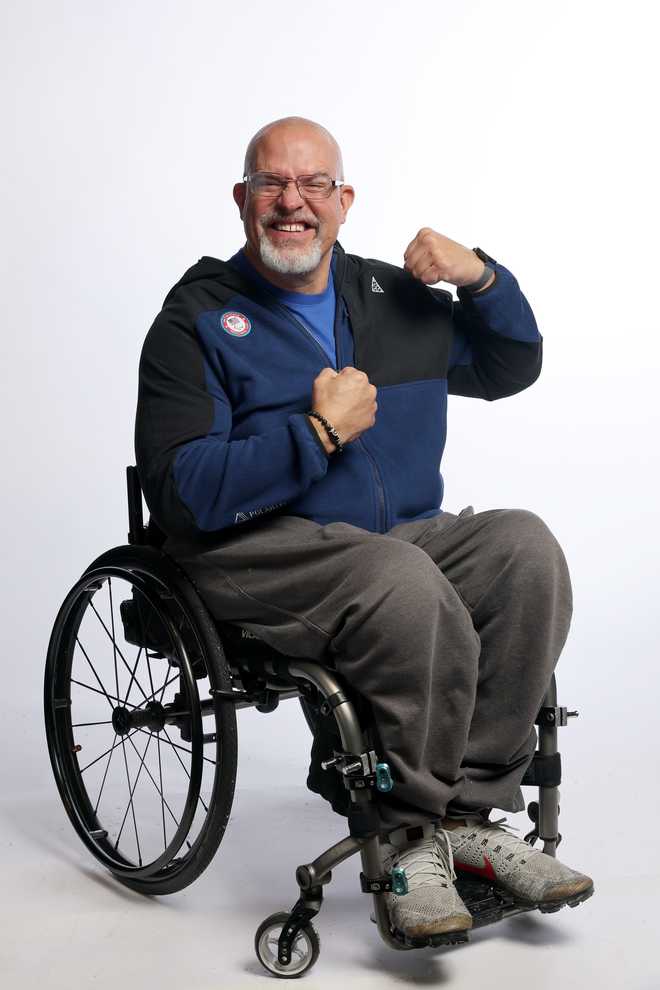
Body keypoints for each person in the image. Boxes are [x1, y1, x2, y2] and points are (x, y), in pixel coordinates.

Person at [134, 115, 593, 940]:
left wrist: (483, 277)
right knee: (400, 582)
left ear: (344, 201)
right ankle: (409, 835)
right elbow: (180, 491)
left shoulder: (392, 299)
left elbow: (508, 365)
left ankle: (472, 818)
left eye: (314, 185)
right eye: (272, 183)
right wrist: (313, 437)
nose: (292, 203)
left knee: (526, 550)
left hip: (394, 536)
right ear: (243, 199)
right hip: (253, 548)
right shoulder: (197, 319)